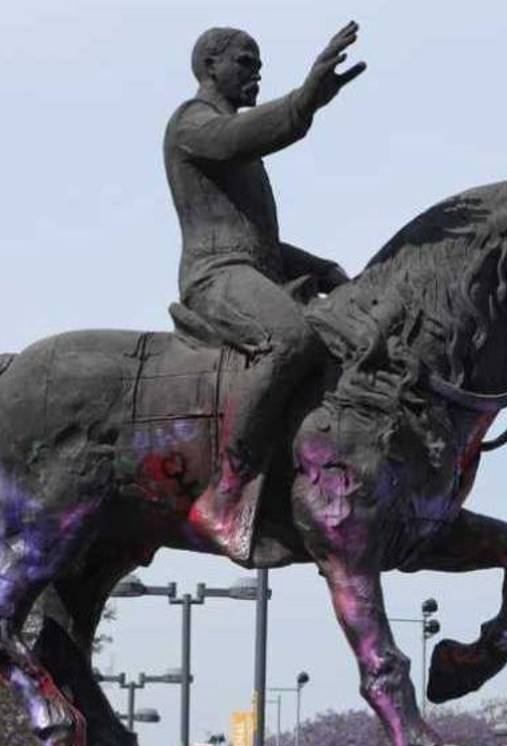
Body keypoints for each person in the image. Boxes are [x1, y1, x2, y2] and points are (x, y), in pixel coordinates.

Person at [164, 22, 365, 559]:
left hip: (252, 271)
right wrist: (304, 102)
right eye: (245, 62)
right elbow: (241, 137)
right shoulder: (193, 123)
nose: (256, 73)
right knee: (292, 338)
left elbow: (262, 243)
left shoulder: (234, 144)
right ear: (210, 66)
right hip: (217, 277)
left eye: (259, 65)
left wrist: (322, 268)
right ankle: (227, 489)